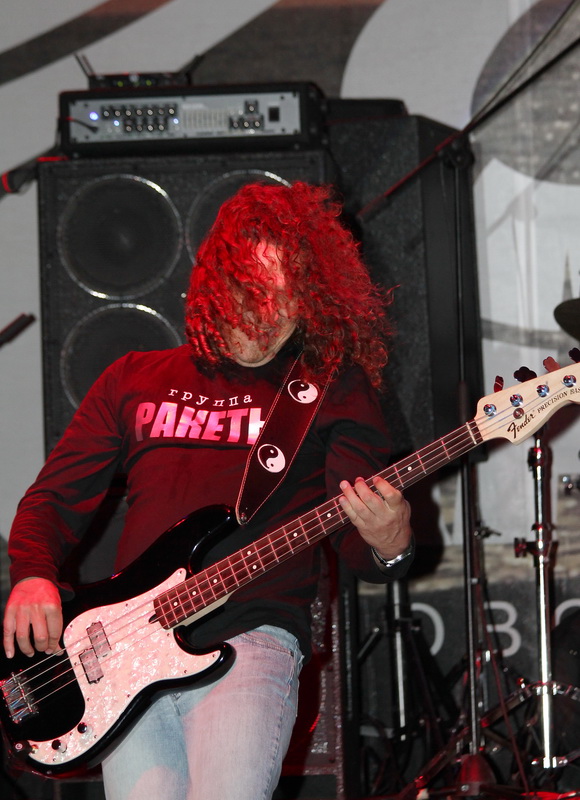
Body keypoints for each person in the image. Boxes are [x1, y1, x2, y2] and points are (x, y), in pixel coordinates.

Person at [2, 180, 413, 800]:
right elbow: (52, 498)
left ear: (311, 298)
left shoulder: (332, 389)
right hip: (122, 654)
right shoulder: (134, 378)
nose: (265, 318)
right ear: (214, 287)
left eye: (284, 298)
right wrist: (33, 573)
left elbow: (358, 548)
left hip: (250, 636)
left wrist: (391, 541)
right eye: (250, 295)